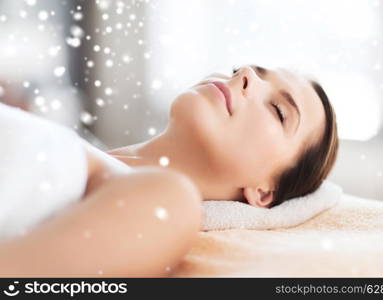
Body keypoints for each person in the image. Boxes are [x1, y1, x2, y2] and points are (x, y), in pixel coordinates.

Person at [0, 65, 339, 277]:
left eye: (279, 111)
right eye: (241, 67)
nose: (244, 74)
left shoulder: (169, 202)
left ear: (264, 192)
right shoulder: (76, 148)